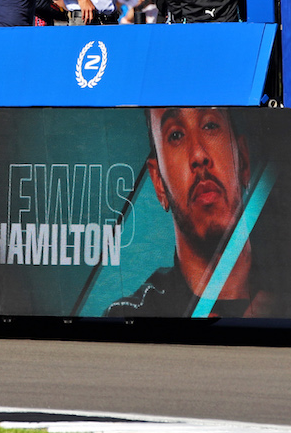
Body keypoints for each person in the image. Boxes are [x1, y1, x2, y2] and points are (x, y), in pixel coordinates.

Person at [105, 107, 270, 318]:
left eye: (210, 125)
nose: (199, 155)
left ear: (243, 159)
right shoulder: (131, 315)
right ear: (158, 182)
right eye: (176, 135)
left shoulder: (290, 291)